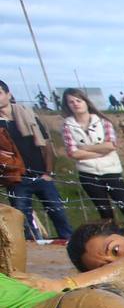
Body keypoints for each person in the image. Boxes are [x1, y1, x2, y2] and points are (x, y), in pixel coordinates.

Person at [59, 88, 124, 235]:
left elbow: (110, 145)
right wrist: (98, 151)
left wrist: (85, 148)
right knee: (105, 212)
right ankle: (113, 240)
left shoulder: (103, 122)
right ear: (67, 105)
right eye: (71, 102)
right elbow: (73, 152)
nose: (76, 104)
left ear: (86, 102)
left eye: (78, 100)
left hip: (111, 171)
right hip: (88, 173)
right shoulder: (67, 126)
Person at [1, 79, 73, 243]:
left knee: (58, 212)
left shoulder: (29, 115)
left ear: (8, 94)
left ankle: (69, 242)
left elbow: (47, 144)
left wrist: (49, 172)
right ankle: (34, 248)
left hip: (41, 175)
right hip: (16, 178)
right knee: (22, 218)